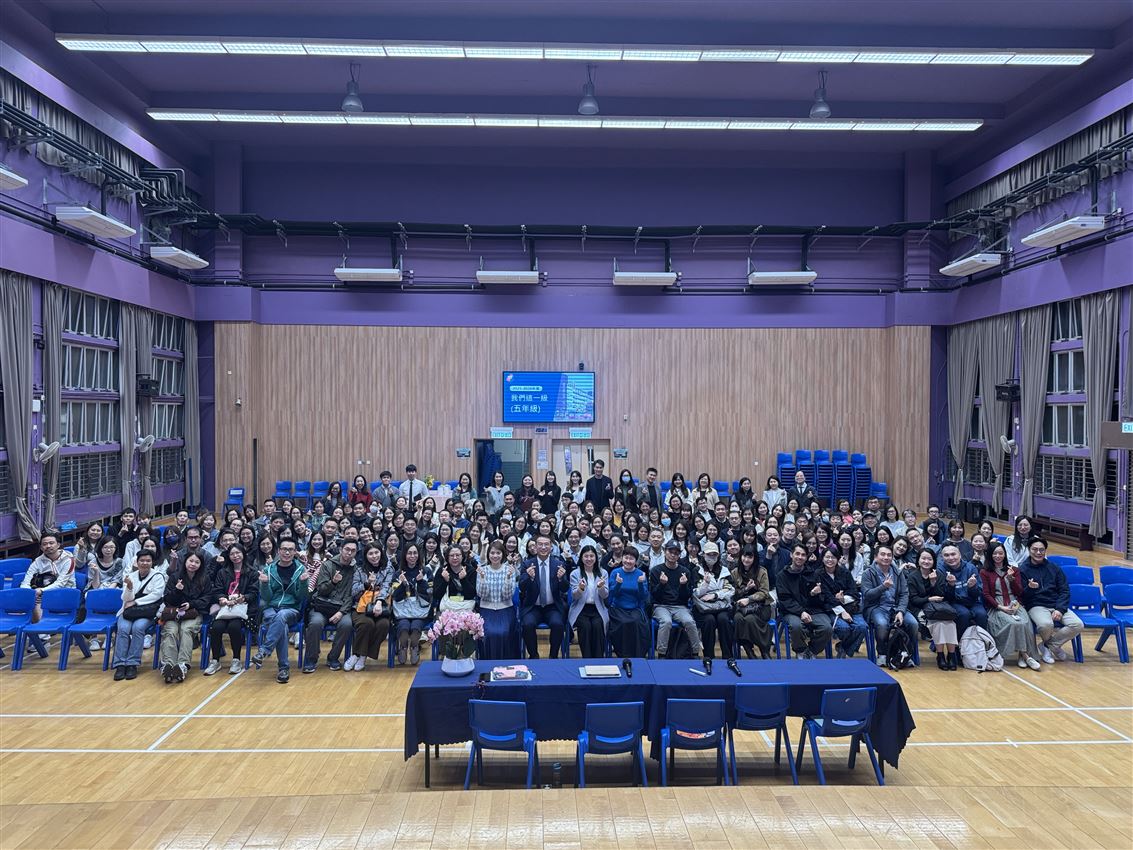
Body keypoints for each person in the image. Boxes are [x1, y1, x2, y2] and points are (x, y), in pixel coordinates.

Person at [251, 540, 313, 683]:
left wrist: (304, 583)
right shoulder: (268, 570)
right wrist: (264, 584)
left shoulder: (300, 570)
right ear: (278, 551)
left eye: (290, 550)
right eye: (284, 549)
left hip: (291, 609)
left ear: (295, 552)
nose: (287, 552)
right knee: (282, 627)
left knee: (282, 615)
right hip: (271, 609)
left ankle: (264, 651)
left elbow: (301, 597)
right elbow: (267, 598)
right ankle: (283, 669)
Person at [1019, 536, 1083, 664]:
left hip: (1055, 604)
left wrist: (1060, 609)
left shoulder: (1054, 568)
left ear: (1045, 551)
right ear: (1029, 550)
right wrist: (1030, 588)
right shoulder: (1022, 569)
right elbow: (1022, 596)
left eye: (1041, 550)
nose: (1038, 552)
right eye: (1035, 549)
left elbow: (1064, 590)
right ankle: (1051, 647)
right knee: (1046, 625)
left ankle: (1048, 646)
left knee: (1077, 624)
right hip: (1036, 605)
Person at [304, 540, 358, 673]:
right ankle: (311, 658)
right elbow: (321, 590)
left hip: (341, 608)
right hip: (322, 606)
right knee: (315, 623)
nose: (349, 553)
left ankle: (333, 657)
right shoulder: (327, 565)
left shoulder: (355, 570)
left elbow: (351, 595)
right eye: (347, 549)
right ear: (341, 549)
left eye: (353, 551)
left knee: (347, 625)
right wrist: (333, 582)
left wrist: (341, 612)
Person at [111, 550, 166, 681]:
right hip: (129, 611)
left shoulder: (158, 576)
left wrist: (136, 601)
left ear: (152, 562)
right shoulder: (130, 576)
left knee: (138, 628)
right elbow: (125, 598)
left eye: (148, 560)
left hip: (146, 612)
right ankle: (120, 664)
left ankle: (132, 663)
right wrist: (129, 587)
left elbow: (156, 595)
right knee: (123, 629)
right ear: (137, 562)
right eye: (142, 560)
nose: (145, 563)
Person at [861, 544, 919, 667]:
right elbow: (867, 595)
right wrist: (883, 587)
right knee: (882, 624)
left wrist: (901, 611)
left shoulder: (898, 572)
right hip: (877, 607)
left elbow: (904, 594)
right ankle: (882, 654)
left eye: (889, 555)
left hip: (896, 607)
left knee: (913, 624)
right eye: (883, 554)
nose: (886, 557)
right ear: (875, 557)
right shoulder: (868, 573)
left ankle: (905, 653)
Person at [158, 551, 211, 683]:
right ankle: (168, 665)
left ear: (201, 565)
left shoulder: (205, 579)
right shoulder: (175, 577)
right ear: (185, 562)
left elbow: (207, 599)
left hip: (193, 613)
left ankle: (182, 665)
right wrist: (177, 590)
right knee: (170, 631)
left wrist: (191, 604)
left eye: (197, 562)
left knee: (186, 630)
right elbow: (167, 600)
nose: (193, 564)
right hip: (174, 613)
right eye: (190, 561)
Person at [205, 543, 258, 675]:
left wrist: (243, 597)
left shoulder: (252, 572)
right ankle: (215, 660)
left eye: (238, 553)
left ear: (243, 554)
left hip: (242, 609)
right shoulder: (222, 572)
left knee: (234, 627)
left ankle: (236, 660)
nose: (235, 556)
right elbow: (217, 590)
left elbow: (254, 592)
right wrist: (222, 598)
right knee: (216, 627)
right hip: (225, 608)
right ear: (228, 556)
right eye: (232, 554)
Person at [776, 543, 832, 659]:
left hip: (813, 609)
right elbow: (785, 599)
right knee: (796, 626)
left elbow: (821, 600)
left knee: (826, 627)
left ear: (806, 557)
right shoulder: (782, 575)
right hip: (792, 611)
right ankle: (800, 651)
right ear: (791, 555)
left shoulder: (813, 573)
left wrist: (815, 594)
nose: (800, 557)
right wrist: (801, 612)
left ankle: (811, 651)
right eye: (797, 554)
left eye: (803, 555)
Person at [650, 540, 704, 659]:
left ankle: (695, 653)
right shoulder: (656, 571)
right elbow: (654, 596)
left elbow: (686, 597)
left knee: (690, 622)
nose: (673, 555)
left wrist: (683, 586)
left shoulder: (685, 571)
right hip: (661, 606)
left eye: (676, 553)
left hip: (680, 607)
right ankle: (662, 654)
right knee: (666, 622)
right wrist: (662, 584)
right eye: (670, 551)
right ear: (665, 552)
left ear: (679, 555)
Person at [518, 534, 570, 658]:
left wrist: (561, 579)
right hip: (533, 607)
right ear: (535, 547)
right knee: (527, 625)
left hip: (552, 606)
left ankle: (553, 656)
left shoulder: (559, 564)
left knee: (558, 624)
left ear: (551, 547)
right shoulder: (527, 564)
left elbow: (565, 588)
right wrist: (529, 577)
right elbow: (522, 587)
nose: (543, 547)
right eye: (540, 544)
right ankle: (534, 656)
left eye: (546, 544)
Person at [907, 549, 958, 670]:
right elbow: (913, 599)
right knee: (939, 624)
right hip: (919, 608)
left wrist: (934, 583)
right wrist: (929, 599)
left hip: (937, 608)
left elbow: (942, 596)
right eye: (923, 558)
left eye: (929, 559)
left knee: (950, 623)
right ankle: (940, 655)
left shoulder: (938, 574)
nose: (926, 561)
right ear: (918, 560)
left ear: (934, 561)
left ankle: (951, 655)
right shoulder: (912, 576)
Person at [345, 543, 394, 671]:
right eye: (370, 554)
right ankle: (357, 654)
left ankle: (362, 655)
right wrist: (367, 584)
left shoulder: (388, 568)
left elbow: (387, 587)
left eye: (376, 552)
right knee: (367, 623)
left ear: (381, 553)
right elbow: (353, 592)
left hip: (382, 607)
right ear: (366, 556)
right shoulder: (359, 570)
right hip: (361, 607)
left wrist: (379, 602)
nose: (374, 556)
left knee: (383, 625)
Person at [817, 548, 867, 659]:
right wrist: (842, 611)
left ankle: (842, 647)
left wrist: (843, 598)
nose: (830, 560)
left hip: (851, 607)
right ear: (822, 559)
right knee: (843, 628)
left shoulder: (845, 572)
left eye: (833, 557)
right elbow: (826, 597)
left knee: (862, 627)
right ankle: (845, 649)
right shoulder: (818, 574)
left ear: (838, 559)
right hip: (831, 609)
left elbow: (854, 592)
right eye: (827, 557)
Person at [693, 541, 736, 664]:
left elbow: (731, 590)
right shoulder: (697, 570)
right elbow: (695, 593)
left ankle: (728, 656)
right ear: (703, 555)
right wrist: (705, 584)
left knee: (723, 619)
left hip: (722, 606)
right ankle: (709, 656)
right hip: (703, 608)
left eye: (714, 554)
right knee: (709, 620)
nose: (712, 557)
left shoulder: (724, 570)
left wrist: (715, 594)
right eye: (709, 554)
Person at [476, 540, 520, 659]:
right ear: (488, 554)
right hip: (486, 609)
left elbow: (507, 595)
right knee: (488, 633)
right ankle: (487, 663)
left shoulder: (509, 569)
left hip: (505, 609)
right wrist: (483, 578)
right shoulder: (482, 570)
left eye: (498, 553)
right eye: (492, 553)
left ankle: (506, 663)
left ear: (503, 554)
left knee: (504, 632)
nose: (495, 556)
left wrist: (508, 578)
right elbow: (482, 595)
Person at [391, 542, 432, 665]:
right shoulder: (398, 573)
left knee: (415, 626)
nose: (412, 556)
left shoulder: (426, 571)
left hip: (421, 611)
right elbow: (395, 597)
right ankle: (402, 648)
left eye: (415, 553)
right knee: (403, 626)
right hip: (402, 611)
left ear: (419, 555)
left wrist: (421, 582)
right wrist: (403, 585)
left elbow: (430, 594)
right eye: (409, 553)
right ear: (404, 555)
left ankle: (415, 647)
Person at [607, 546, 651, 658]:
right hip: (618, 608)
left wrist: (640, 584)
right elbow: (611, 595)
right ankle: (623, 654)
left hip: (635, 608)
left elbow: (643, 597)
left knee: (637, 623)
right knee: (623, 623)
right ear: (622, 558)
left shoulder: (641, 574)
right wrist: (618, 584)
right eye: (626, 558)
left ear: (636, 561)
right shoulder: (615, 572)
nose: (628, 561)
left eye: (631, 559)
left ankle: (637, 655)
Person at [732, 545, 774, 659]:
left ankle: (764, 650)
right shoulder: (735, 572)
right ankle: (749, 650)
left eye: (750, 557)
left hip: (761, 606)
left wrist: (749, 599)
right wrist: (746, 589)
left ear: (755, 558)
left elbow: (765, 592)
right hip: (741, 607)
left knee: (750, 619)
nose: (746, 559)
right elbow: (733, 593)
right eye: (744, 556)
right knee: (737, 618)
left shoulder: (762, 571)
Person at [568, 545, 609, 658]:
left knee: (597, 625)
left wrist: (601, 587)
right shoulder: (575, 573)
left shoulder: (603, 573)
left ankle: (598, 659)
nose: (589, 559)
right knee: (585, 626)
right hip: (580, 609)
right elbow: (575, 597)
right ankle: (587, 659)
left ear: (596, 557)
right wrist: (580, 589)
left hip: (597, 608)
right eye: (586, 556)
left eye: (592, 556)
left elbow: (605, 595)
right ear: (581, 558)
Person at [939, 543, 987, 636]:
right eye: (946, 555)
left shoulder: (970, 567)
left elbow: (978, 593)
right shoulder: (940, 570)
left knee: (981, 614)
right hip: (953, 602)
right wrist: (951, 586)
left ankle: (981, 641)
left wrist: (972, 587)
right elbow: (945, 597)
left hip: (972, 600)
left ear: (960, 555)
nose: (950, 558)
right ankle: (961, 642)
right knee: (964, 614)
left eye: (953, 554)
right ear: (942, 558)